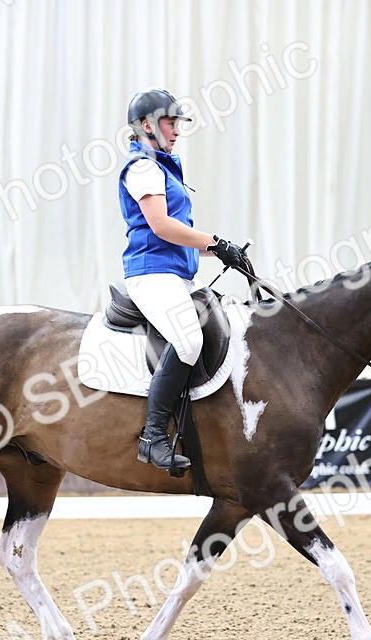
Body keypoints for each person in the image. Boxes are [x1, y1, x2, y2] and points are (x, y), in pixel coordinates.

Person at [119, 88, 247, 474]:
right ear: (146, 126)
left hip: (175, 273)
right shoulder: (143, 167)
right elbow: (161, 226)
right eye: (168, 122)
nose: (175, 130)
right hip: (150, 273)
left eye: (177, 123)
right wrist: (214, 242)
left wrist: (223, 251)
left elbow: (180, 234)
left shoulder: (165, 167)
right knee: (188, 339)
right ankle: (152, 437)